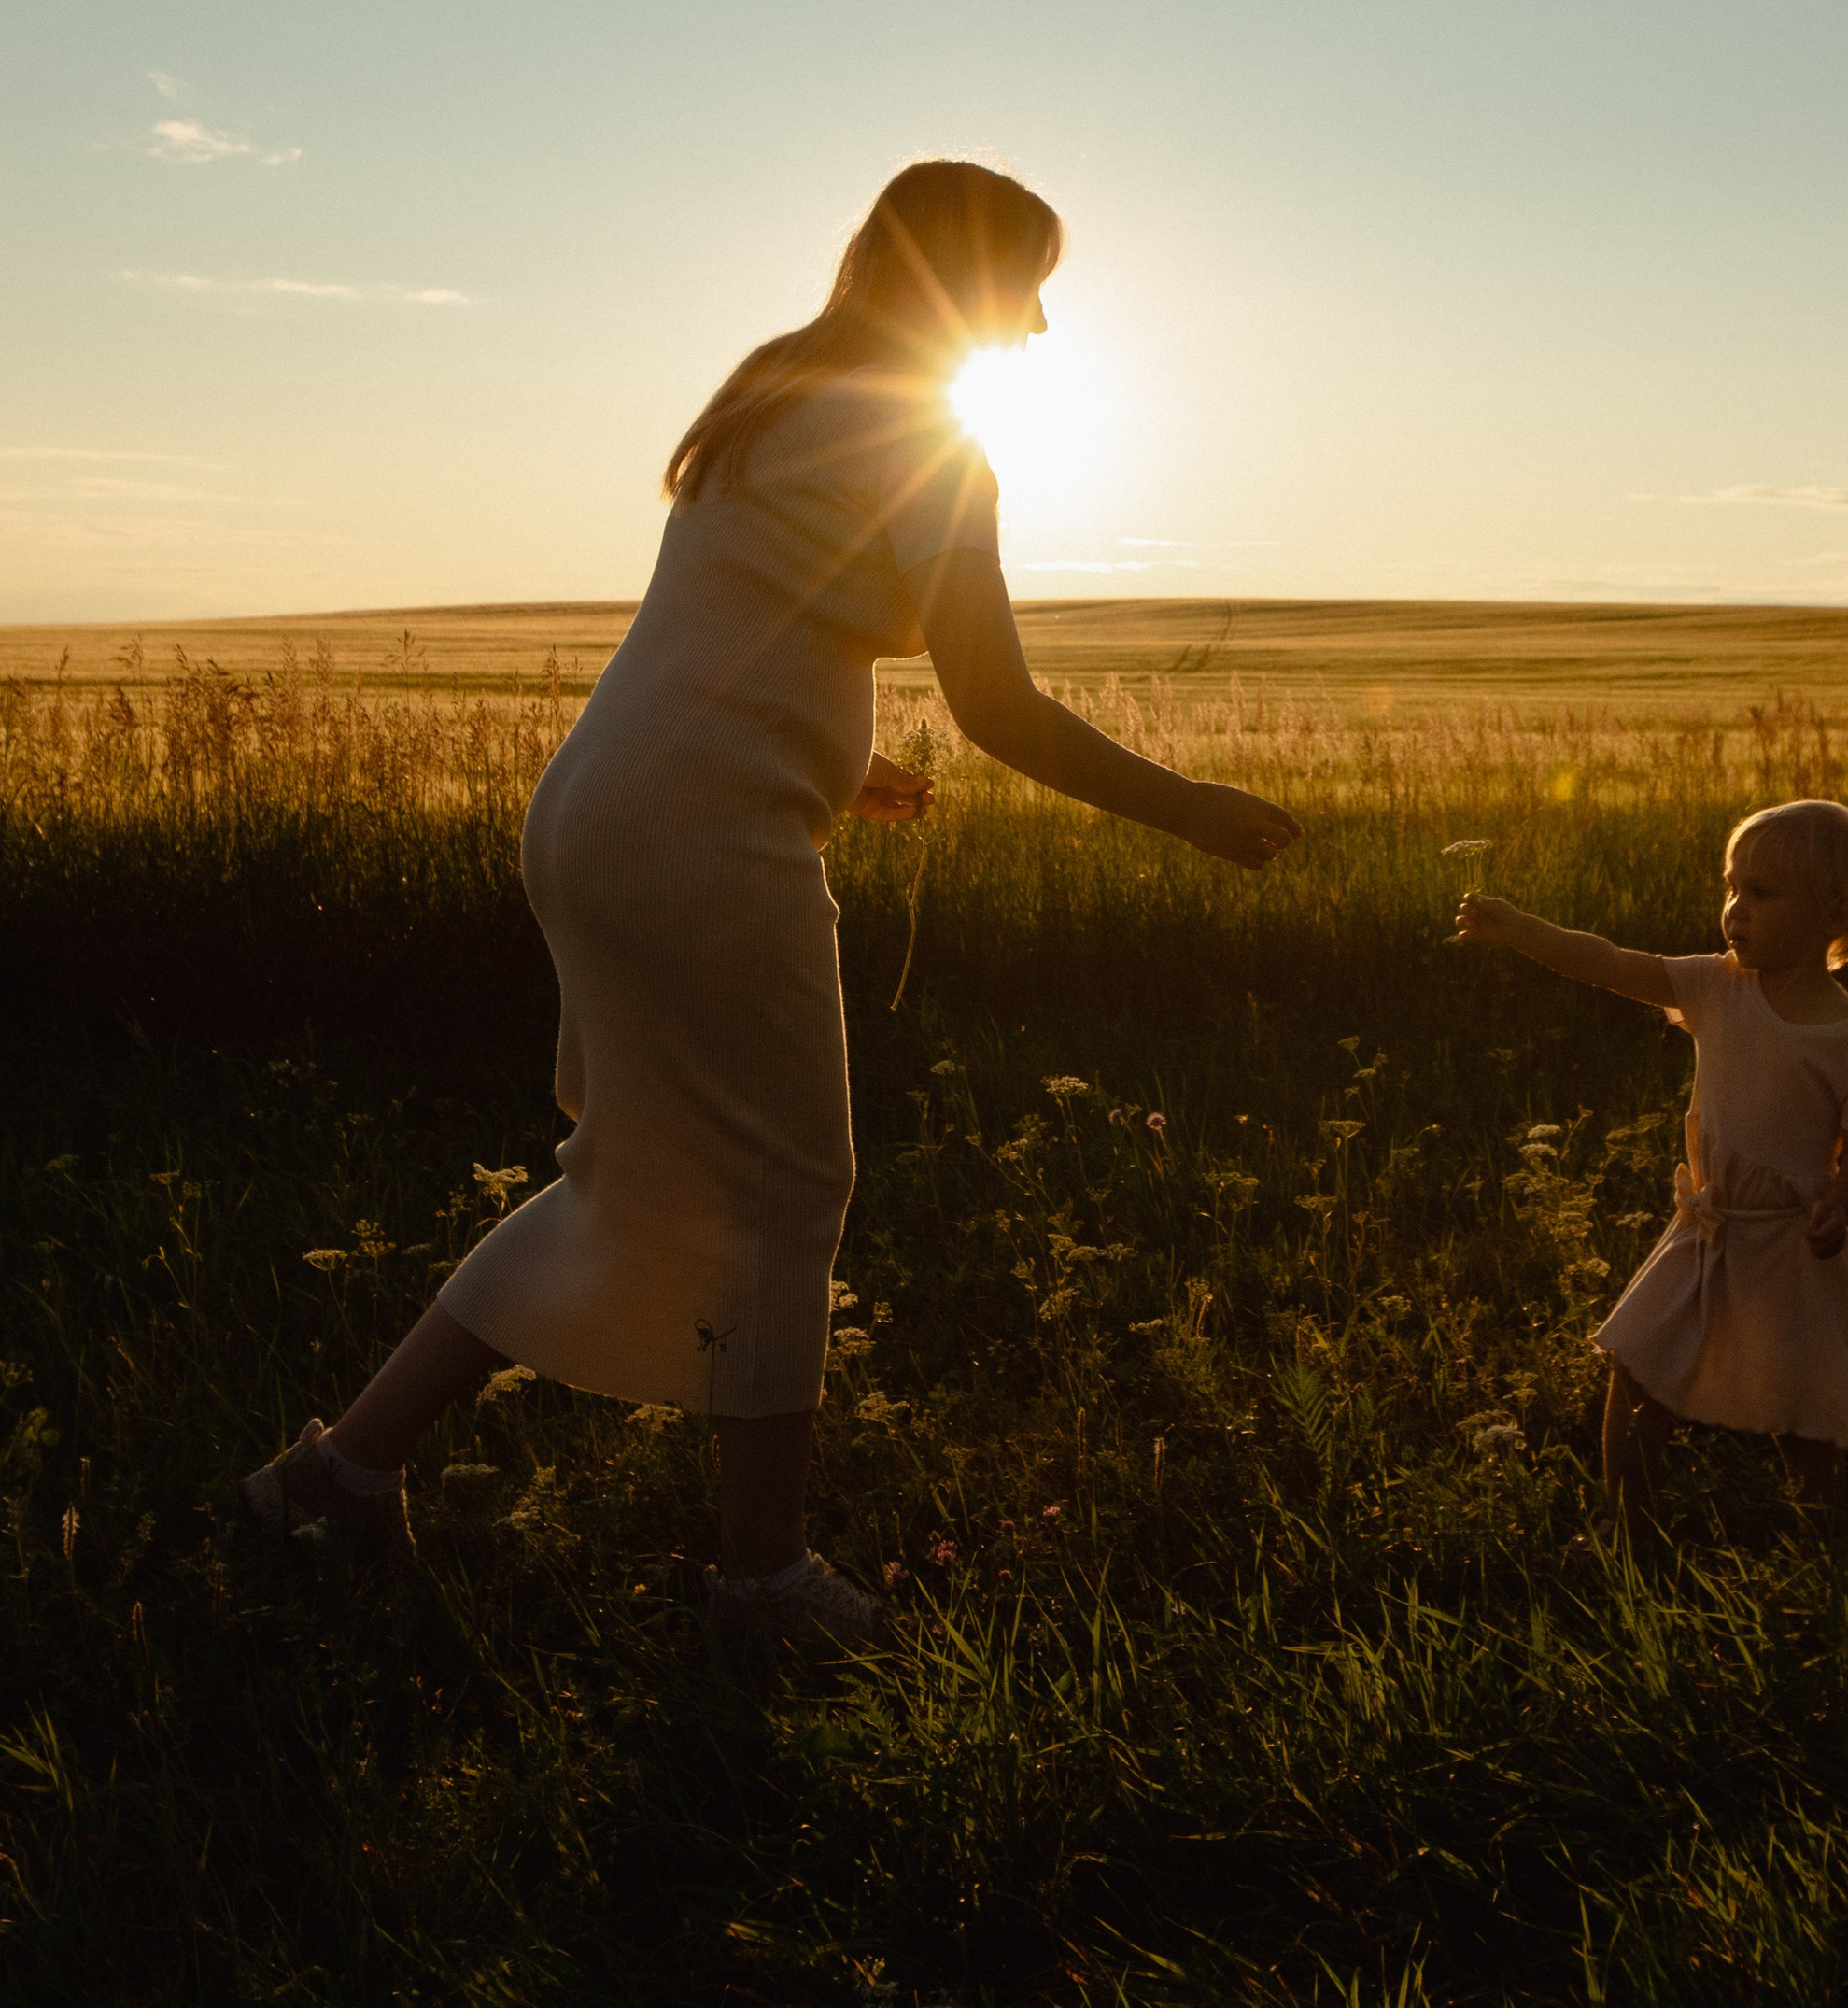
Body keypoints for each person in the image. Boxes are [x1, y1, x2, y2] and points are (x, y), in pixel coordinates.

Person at [236, 159, 1300, 1640]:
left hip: (607, 813)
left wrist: (831, 762)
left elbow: (744, 616)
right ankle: (761, 1579)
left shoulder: (777, 395)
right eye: (1029, 286)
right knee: (790, 1189)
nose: (1043, 326)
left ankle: (340, 1476)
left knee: (627, 1171)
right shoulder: (931, 441)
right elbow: (994, 701)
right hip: (699, 840)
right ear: (964, 282)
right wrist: (1186, 807)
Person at [1452, 799, 1848, 1546]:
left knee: (1802, 1407)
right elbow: (1610, 962)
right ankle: (1625, 1524)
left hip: (1791, 1247)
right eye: (1732, 888)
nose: (1736, 909)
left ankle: (1826, 1540)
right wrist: (1522, 929)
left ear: (1836, 913)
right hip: (1706, 1229)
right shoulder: (1715, 986)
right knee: (1639, 1367)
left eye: (1762, 893)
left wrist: (1843, 1203)